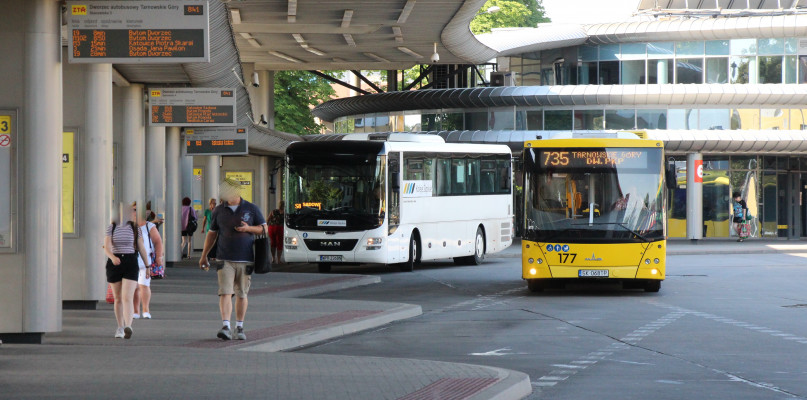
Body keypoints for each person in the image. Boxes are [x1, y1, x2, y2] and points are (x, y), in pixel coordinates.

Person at [199, 178, 267, 341]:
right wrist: (204, 256)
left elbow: (265, 229)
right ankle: (226, 326)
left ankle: (240, 326)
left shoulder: (251, 208)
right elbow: (212, 234)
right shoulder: (218, 210)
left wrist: (248, 228)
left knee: (242, 294)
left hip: (246, 258)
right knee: (225, 292)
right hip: (224, 258)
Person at [103, 202, 149, 339]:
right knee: (118, 298)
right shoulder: (111, 227)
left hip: (130, 262)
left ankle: (128, 325)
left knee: (127, 297)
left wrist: (148, 266)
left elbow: (141, 247)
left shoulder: (135, 228)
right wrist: (112, 257)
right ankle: (120, 327)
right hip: (115, 263)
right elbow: (106, 246)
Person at [133, 208, 164, 320]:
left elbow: (158, 242)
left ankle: (146, 310)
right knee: (134, 287)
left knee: (144, 285)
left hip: (146, 261)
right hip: (131, 261)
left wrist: (159, 257)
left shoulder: (149, 226)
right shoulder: (128, 226)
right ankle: (135, 311)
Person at [267, 200, 285, 264]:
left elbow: (268, 219)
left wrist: (266, 227)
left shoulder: (273, 211)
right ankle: (279, 259)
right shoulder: (284, 213)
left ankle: (273, 258)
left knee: (273, 243)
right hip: (280, 228)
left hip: (271, 228)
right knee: (279, 243)